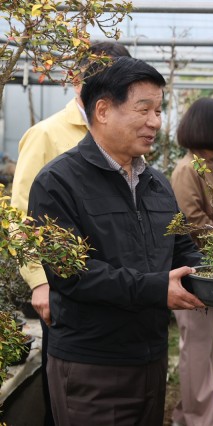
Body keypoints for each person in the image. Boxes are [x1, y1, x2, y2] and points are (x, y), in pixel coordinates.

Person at [27, 57, 205, 426]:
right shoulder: (58, 182)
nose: (155, 121)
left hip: (150, 357)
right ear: (104, 110)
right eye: (144, 109)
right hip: (92, 366)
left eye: (158, 110)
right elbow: (71, 274)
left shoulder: (156, 183)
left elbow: (182, 248)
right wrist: (157, 289)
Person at [9, 41, 130, 426]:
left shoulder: (125, 135)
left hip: (118, 285)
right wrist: (39, 282)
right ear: (75, 80)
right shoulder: (47, 135)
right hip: (66, 286)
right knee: (65, 392)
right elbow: (20, 218)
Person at [170, 97, 213, 426]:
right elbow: (192, 221)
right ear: (208, 128)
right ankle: (199, 420)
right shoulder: (188, 169)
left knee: (206, 350)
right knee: (196, 351)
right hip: (196, 273)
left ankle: (189, 416)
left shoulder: (207, 165)